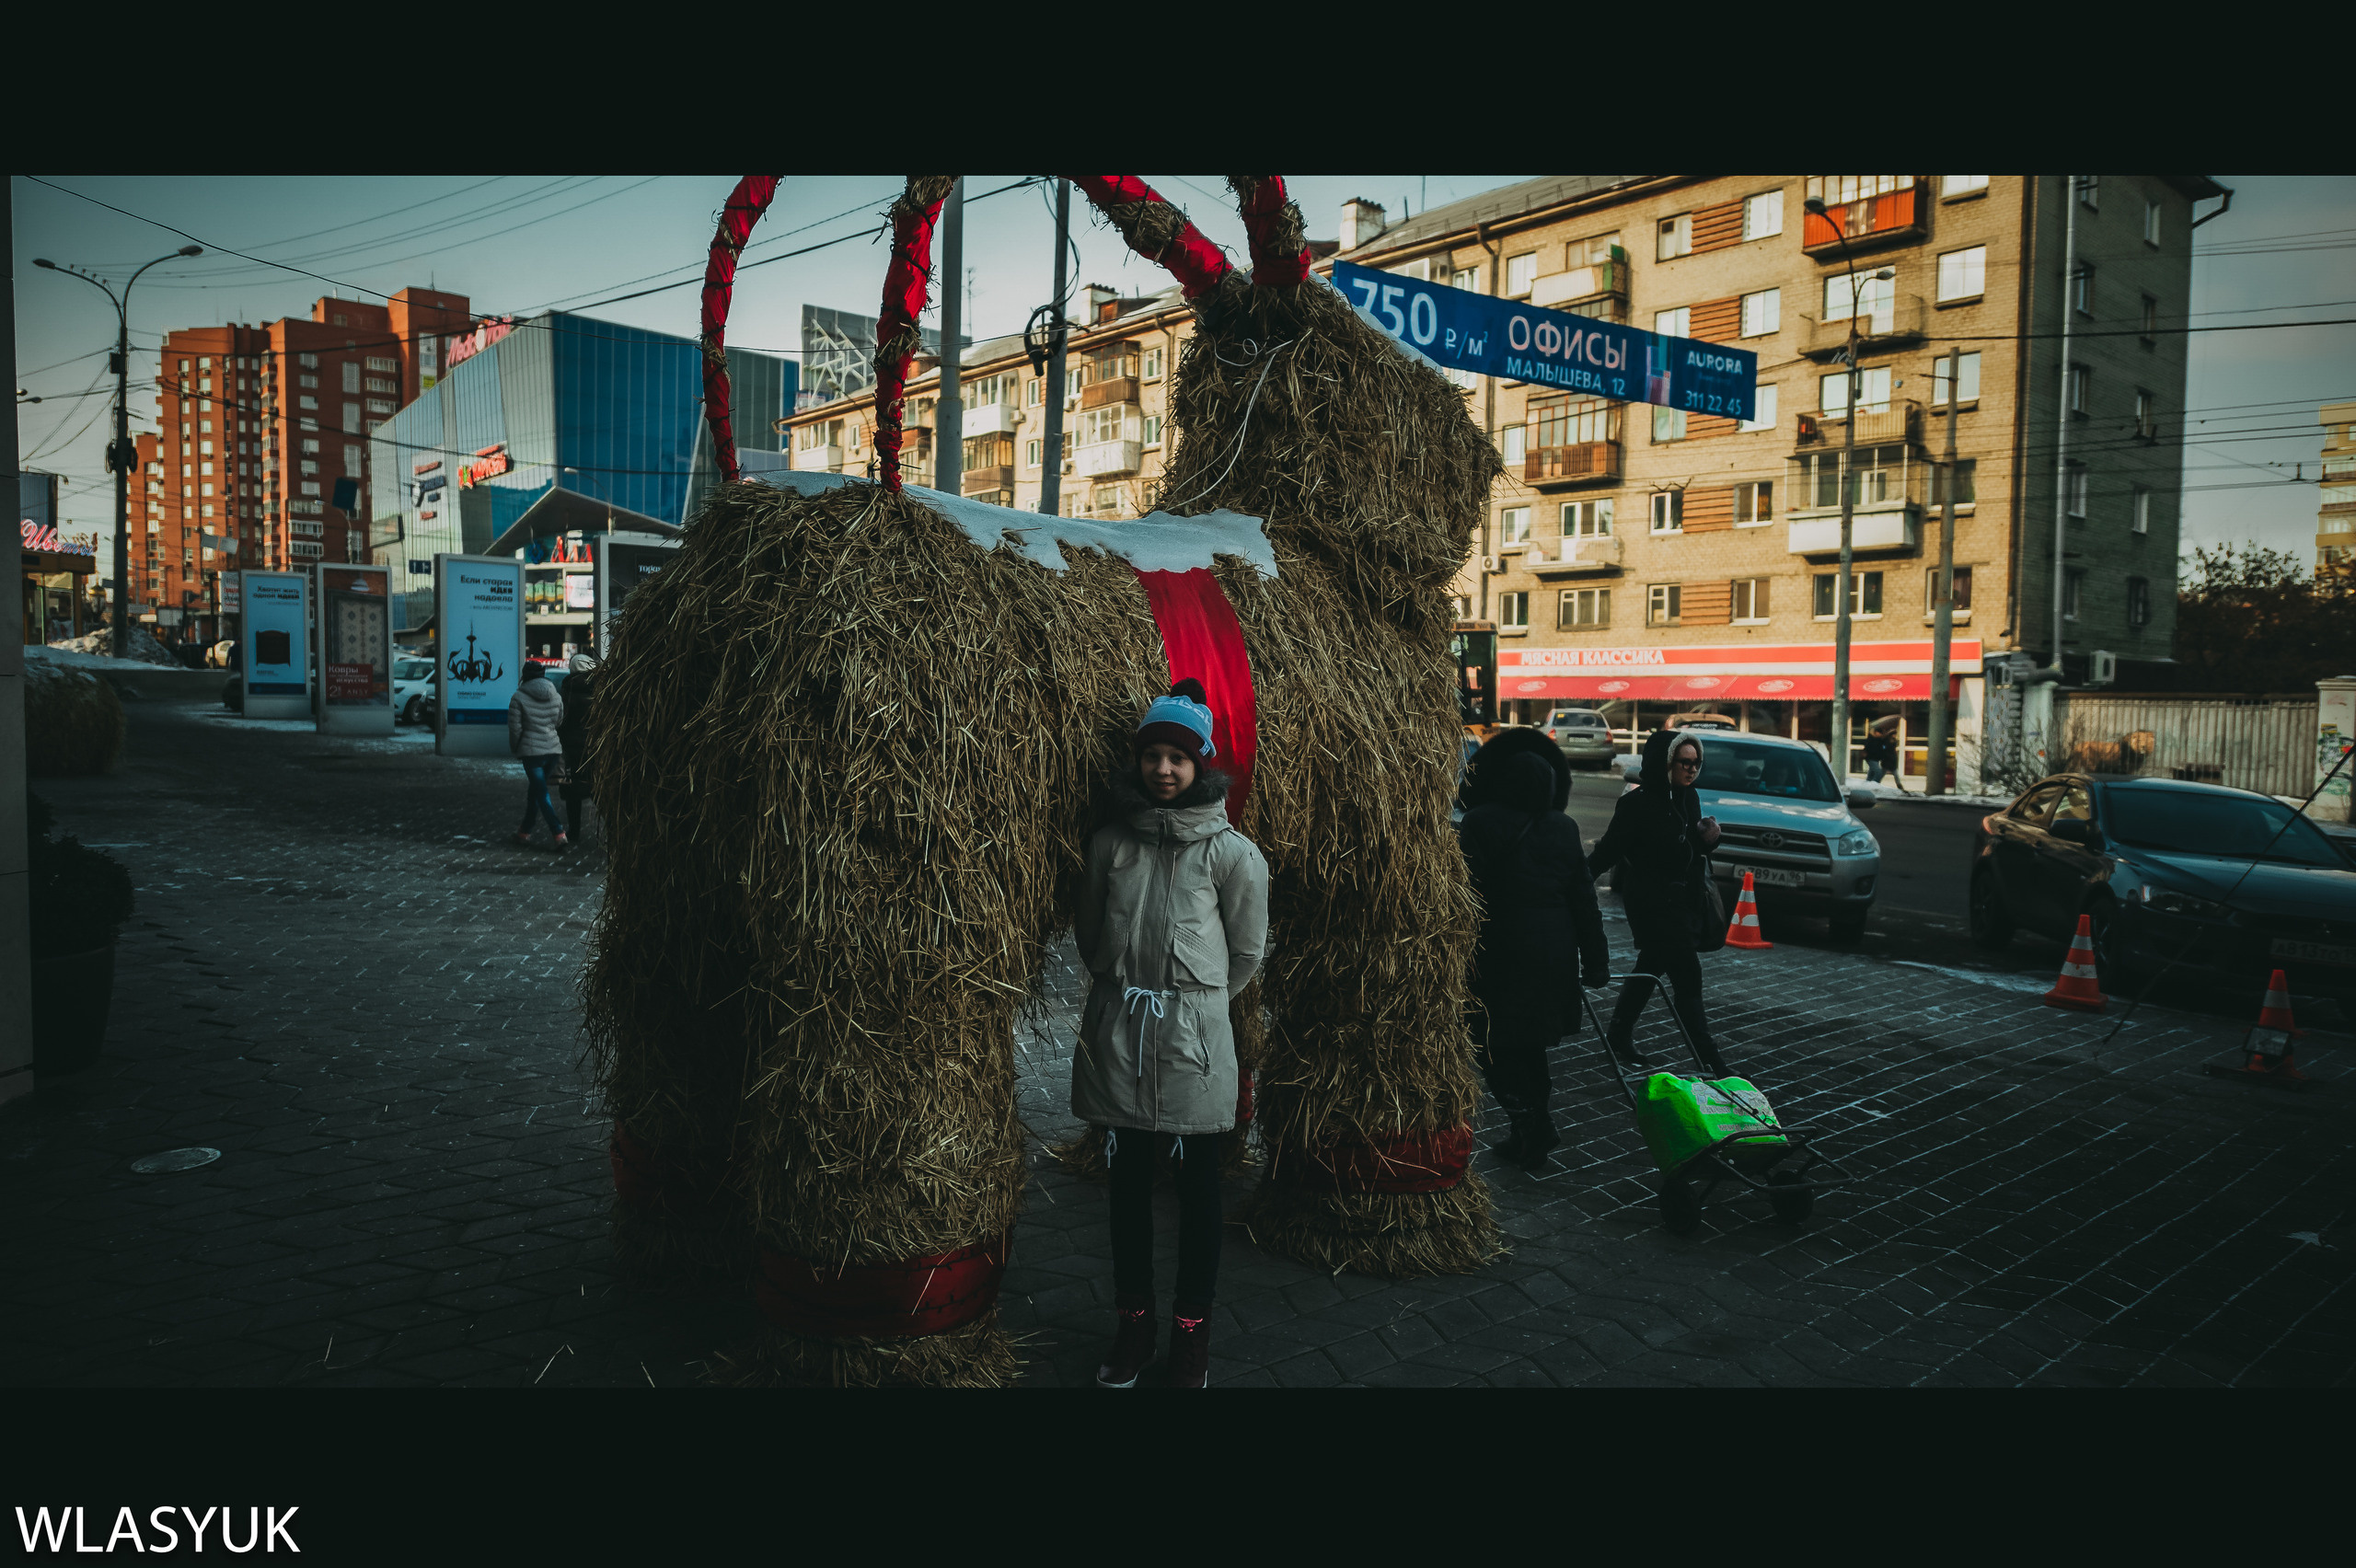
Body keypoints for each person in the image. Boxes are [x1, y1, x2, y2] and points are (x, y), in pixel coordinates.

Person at [1072, 678, 1268, 1389]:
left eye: (1178, 758)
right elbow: (1091, 935)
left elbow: (1246, 953)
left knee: (1198, 1194)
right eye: (1152, 755)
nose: (1163, 768)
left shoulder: (1232, 855)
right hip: (1121, 1037)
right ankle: (1134, 1327)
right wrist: (1126, 993)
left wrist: (1193, 1006)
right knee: (1125, 1191)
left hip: (1194, 1045)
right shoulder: (1109, 845)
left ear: (1200, 764)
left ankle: (1191, 1334)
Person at [1457, 742, 1611, 1168]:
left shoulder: (1480, 821)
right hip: (1553, 956)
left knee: (1489, 1042)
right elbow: (1584, 899)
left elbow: (1464, 893)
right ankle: (1528, 1129)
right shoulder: (1563, 827)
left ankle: (1529, 1123)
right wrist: (1597, 962)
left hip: (1499, 954)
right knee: (1530, 1045)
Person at [1588, 728, 1727, 1074]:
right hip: (1652, 903)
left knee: (1650, 966)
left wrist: (1708, 841)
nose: (1691, 769)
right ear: (1664, 762)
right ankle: (1711, 1060)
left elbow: (1689, 850)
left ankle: (1618, 1033)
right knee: (1688, 975)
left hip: (1684, 902)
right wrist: (1576, 883)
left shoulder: (1689, 797)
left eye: (1696, 763)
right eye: (1684, 762)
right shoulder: (1635, 804)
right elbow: (1608, 851)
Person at [508, 664, 567, 850]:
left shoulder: (518, 697)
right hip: (553, 750)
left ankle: (558, 833)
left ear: (525, 676)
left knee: (541, 794)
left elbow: (515, 728)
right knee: (535, 791)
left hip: (532, 752)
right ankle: (524, 832)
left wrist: (516, 748)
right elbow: (559, 721)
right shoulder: (555, 695)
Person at [555, 652, 598, 845]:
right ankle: (613, 828)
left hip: (571, 748)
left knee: (573, 791)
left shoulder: (568, 687)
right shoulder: (600, 687)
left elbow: (561, 719)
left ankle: (574, 832)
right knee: (597, 788)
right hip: (595, 746)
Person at [1863, 717, 1904, 790]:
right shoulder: (1880, 741)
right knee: (1878, 773)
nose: (1895, 736)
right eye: (1894, 734)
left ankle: (1868, 784)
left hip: (1883, 760)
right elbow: (1873, 748)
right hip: (1874, 759)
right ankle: (1874, 784)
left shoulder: (1886, 741)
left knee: (1873, 773)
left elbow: (1884, 749)